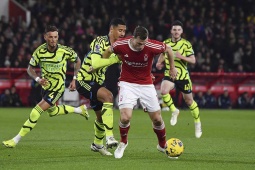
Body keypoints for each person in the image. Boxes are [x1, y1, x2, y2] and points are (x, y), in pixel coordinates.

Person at [2, 25, 89, 148]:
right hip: (46, 87)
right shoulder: (39, 51)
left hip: (57, 88)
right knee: (52, 112)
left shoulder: (64, 50)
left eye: (55, 37)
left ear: (58, 37)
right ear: (45, 37)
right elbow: (29, 68)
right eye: (51, 37)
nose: (53, 40)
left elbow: (78, 60)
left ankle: (15, 140)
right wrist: (38, 79)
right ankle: (80, 110)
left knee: (35, 112)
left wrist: (75, 79)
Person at [99, 26, 177, 159]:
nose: (142, 46)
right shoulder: (121, 44)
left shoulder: (151, 45)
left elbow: (168, 49)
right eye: (139, 43)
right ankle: (123, 142)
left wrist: (172, 68)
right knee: (125, 117)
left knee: (157, 119)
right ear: (133, 38)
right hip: (127, 83)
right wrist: (103, 66)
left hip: (146, 84)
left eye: (144, 43)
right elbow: (107, 52)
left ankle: (162, 145)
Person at [75, 18, 126, 156]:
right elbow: (96, 63)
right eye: (120, 30)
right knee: (108, 96)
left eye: (124, 31)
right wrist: (115, 59)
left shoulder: (119, 46)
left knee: (101, 117)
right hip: (84, 79)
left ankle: (97, 144)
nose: (122, 33)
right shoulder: (100, 41)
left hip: (97, 81)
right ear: (111, 29)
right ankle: (109, 137)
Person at [156, 20, 202, 138]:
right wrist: (159, 63)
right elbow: (162, 54)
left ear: (181, 32)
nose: (176, 32)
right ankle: (174, 110)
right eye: (174, 29)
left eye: (178, 30)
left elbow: (193, 60)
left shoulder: (186, 44)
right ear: (171, 31)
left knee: (189, 101)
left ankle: (197, 122)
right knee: (164, 91)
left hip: (183, 76)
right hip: (170, 73)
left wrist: (182, 57)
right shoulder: (166, 43)